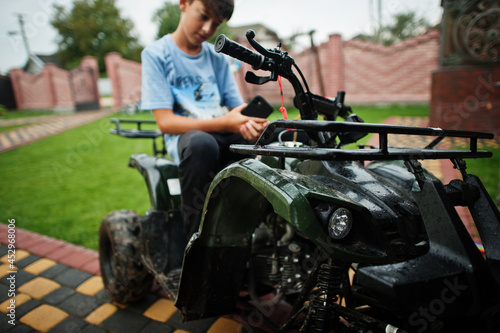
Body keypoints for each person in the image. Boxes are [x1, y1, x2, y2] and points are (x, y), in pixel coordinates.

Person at [140, 0, 269, 239]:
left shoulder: (218, 58)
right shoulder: (156, 55)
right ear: (184, 4)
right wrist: (226, 122)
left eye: (216, 24)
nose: (208, 29)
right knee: (202, 145)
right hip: (188, 139)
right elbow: (166, 122)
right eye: (203, 16)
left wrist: (253, 121)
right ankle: (195, 243)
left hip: (222, 130)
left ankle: (252, 234)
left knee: (264, 140)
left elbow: (236, 107)